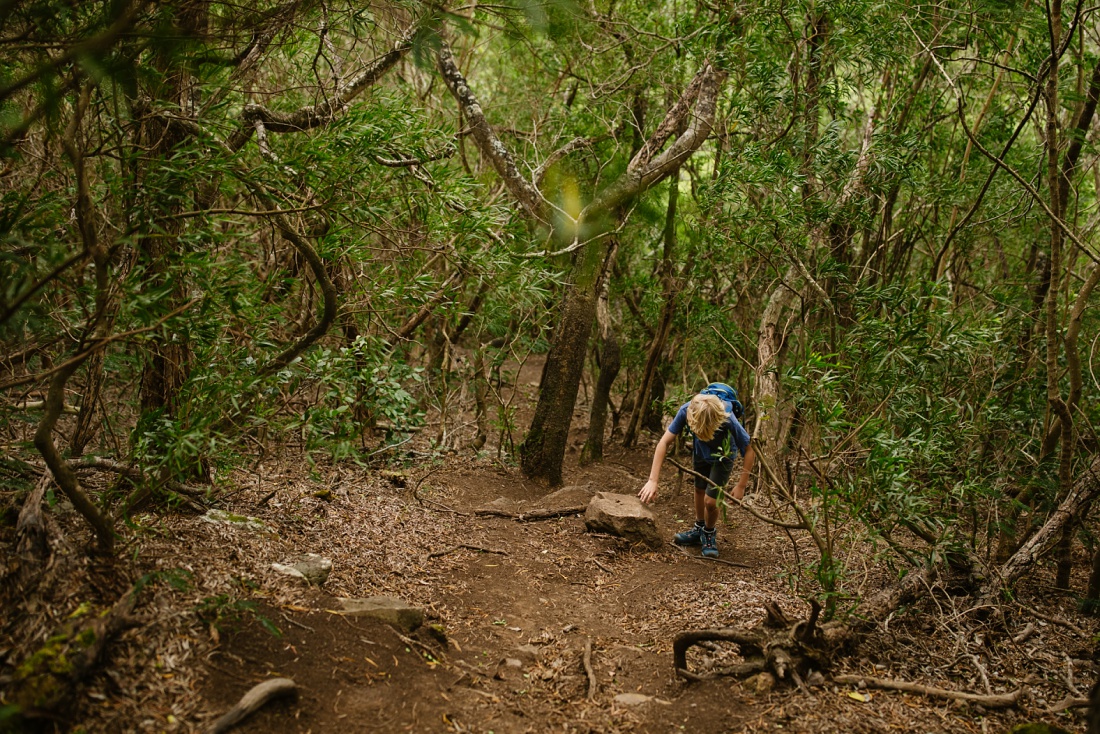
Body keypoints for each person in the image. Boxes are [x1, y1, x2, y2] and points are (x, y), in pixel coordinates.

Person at [637, 388, 755, 558]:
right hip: (700, 453)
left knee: (711, 501)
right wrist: (653, 480)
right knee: (699, 490)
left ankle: (708, 532)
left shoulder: (727, 418)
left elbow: (749, 449)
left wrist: (741, 485)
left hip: (723, 456)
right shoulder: (686, 411)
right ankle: (699, 528)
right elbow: (664, 442)